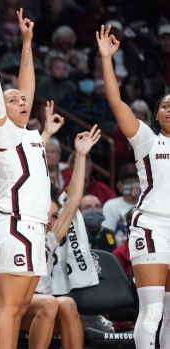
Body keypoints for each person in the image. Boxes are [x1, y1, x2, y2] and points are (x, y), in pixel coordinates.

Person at [0, 3, 62, 348]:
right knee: (8, 306)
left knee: (22, 306)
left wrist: (27, 42)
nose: (21, 101)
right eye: (13, 100)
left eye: (23, 100)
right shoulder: (2, 134)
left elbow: (27, 87)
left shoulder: (30, 134)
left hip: (36, 227)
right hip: (15, 225)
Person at [98, 23, 170, 349]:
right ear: (156, 116)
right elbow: (116, 104)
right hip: (152, 226)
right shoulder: (147, 140)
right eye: (165, 105)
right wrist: (106, 59)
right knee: (152, 311)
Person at [21, 125, 101, 349]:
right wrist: (44, 136)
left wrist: (81, 156)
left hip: (46, 305)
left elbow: (74, 199)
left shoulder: (51, 237)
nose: (50, 219)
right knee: (50, 303)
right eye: (45, 213)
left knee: (65, 302)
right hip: (15, 307)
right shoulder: (15, 227)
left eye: (54, 215)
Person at [102, 163, 140, 245]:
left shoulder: (151, 204)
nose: (134, 185)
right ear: (119, 187)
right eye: (128, 182)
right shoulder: (111, 206)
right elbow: (107, 234)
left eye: (137, 180)